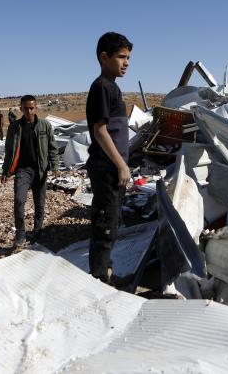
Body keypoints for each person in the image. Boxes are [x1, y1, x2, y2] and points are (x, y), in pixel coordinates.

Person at [85, 32, 132, 283]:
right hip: (106, 168)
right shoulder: (102, 86)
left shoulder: (112, 87)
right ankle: (100, 280)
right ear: (104, 57)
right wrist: (121, 165)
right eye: (121, 57)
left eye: (128, 58)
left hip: (112, 168)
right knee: (105, 226)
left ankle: (107, 273)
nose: (126, 62)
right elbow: (100, 131)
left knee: (111, 223)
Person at [1, 95, 59, 248]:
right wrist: (5, 171)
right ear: (20, 108)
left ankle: (37, 231)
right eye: (25, 108)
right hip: (22, 170)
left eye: (31, 108)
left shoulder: (45, 125)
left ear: (36, 107)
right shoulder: (15, 127)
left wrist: (56, 166)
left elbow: (53, 148)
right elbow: (9, 150)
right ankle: (20, 233)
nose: (28, 111)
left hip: (40, 169)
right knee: (19, 200)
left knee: (39, 203)